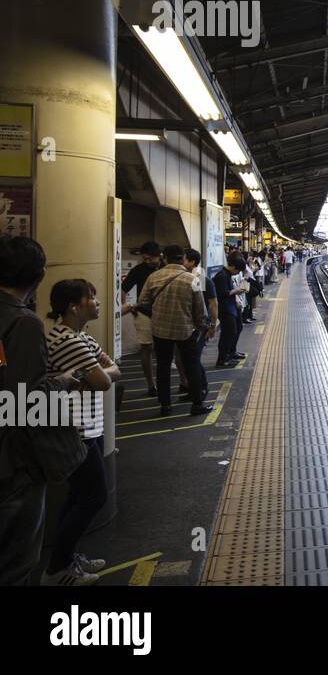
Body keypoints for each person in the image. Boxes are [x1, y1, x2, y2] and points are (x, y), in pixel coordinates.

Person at [0, 237, 86, 586]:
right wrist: (63, 381)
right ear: (39, 276)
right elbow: (22, 398)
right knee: (16, 564)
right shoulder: (24, 323)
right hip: (12, 460)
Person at [43, 279, 120, 585]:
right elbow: (103, 381)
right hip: (75, 430)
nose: (97, 303)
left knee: (79, 496)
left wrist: (87, 376)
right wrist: (95, 376)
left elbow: (113, 369)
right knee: (93, 496)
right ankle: (56, 571)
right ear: (74, 306)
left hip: (89, 425)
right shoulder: (69, 341)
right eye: (92, 298)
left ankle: (64, 559)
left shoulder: (79, 337)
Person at [137, 245, 212, 416]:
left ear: (165, 258)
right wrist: (202, 328)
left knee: (163, 366)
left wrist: (156, 314)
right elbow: (200, 310)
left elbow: (142, 302)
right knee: (191, 365)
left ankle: (165, 405)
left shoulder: (154, 277)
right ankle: (197, 404)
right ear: (182, 258)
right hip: (185, 330)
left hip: (160, 331)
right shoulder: (192, 279)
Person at [121, 240, 162, 397]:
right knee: (146, 348)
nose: (147, 261)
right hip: (144, 313)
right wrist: (127, 306)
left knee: (164, 349)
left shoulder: (166, 268)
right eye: (144, 258)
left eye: (150, 258)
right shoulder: (138, 270)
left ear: (159, 256)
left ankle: (164, 381)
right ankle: (151, 384)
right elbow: (123, 289)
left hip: (163, 314)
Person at [213, 254, 248, 369]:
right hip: (225, 309)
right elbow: (222, 294)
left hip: (231, 307)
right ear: (232, 266)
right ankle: (222, 359)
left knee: (237, 329)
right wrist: (236, 291)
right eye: (237, 270)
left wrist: (236, 300)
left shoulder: (227, 275)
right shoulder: (221, 276)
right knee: (227, 334)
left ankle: (231, 353)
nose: (237, 273)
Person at [185, 250, 219, 370]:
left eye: (183, 259)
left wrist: (212, 326)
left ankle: (202, 386)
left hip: (199, 325)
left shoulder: (202, 280)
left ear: (192, 262)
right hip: (187, 324)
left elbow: (213, 304)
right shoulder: (186, 278)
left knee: (194, 358)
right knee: (190, 358)